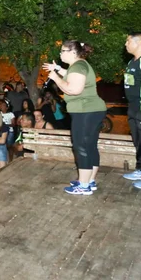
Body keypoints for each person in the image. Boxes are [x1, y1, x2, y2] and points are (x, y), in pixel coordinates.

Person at [43, 40, 106, 195]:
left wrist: (55, 78)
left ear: (72, 52)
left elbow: (74, 89)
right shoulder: (79, 65)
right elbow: (72, 76)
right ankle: (89, 181)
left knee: (81, 146)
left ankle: (83, 186)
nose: (60, 54)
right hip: (91, 110)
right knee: (89, 146)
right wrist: (57, 69)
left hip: (85, 111)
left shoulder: (78, 66)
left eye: (62, 51)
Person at [123, 32, 141, 188]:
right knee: (138, 142)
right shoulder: (132, 62)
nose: (126, 44)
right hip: (133, 109)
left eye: (128, 41)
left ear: (139, 42)